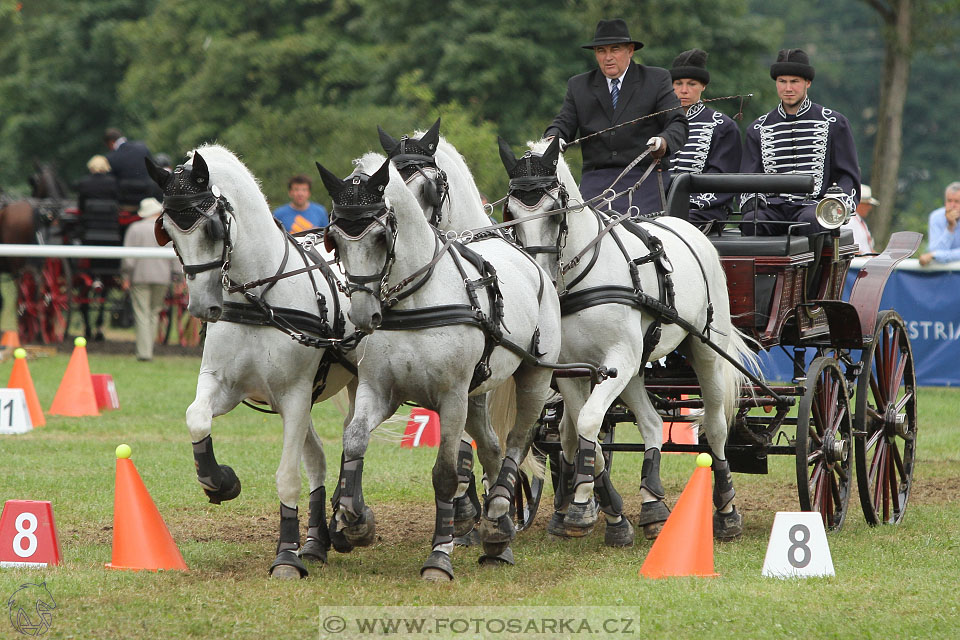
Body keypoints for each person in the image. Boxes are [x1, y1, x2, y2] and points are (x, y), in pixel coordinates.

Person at [544, 19, 688, 215]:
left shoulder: (656, 80)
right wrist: (553, 138)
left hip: (644, 177)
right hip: (596, 180)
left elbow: (678, 123)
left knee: (638, 228)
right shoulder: (578, 85)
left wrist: (663, 142)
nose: (608, 57)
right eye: (601, 51)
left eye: (615, 49)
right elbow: (563, 122)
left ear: (630, 50)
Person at [739, 49, 860, 236]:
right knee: (751, 221)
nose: (788, 88)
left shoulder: (835, 123)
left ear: (807, 83)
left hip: (814, 205)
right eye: (782, 81)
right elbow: (749, 177)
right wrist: (752, 200)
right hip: (773, 207)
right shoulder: (758, 128)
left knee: (811, 220)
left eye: (794, 81)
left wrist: (835, 204)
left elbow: (847, 176)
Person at [667, 48, 741, 227]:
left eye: (691, 84)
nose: (684, 90)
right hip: (659, 208)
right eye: (678, 83)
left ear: (703, 86)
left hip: (705, 211)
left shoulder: (723, 126)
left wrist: (685, 205)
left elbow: (722, 179)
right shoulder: (657, 124)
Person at [122, 197, 179, 361]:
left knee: (142, 313)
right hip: (162, 277)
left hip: (140, 276)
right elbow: (175, 255)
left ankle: (144, 352)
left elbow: (128, 259)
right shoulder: (166, 228)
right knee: (154, 312)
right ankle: (149, 350)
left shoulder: (135, 229)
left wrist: (126, 276)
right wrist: (177, 276)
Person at [104, 128, 156, 228]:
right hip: (147, 194)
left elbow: (110, 181)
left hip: (125, 202)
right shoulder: (143, 148)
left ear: (111, 142)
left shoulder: (111, 157)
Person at [919, 182, 960, 265]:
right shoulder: (935, 217)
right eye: (949, 201)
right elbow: (934, 250)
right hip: (940, 271)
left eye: (957, 201)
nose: (952, 205)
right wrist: (950, 227)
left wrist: (935, 255)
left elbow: (934, 254)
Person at [843, 184, 877, 254]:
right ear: (859, 204)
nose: (870, 208)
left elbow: (868, 250)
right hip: (857, 260)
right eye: (867, 204)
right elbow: (848, 248)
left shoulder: (859, 221)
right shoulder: (849, 221)